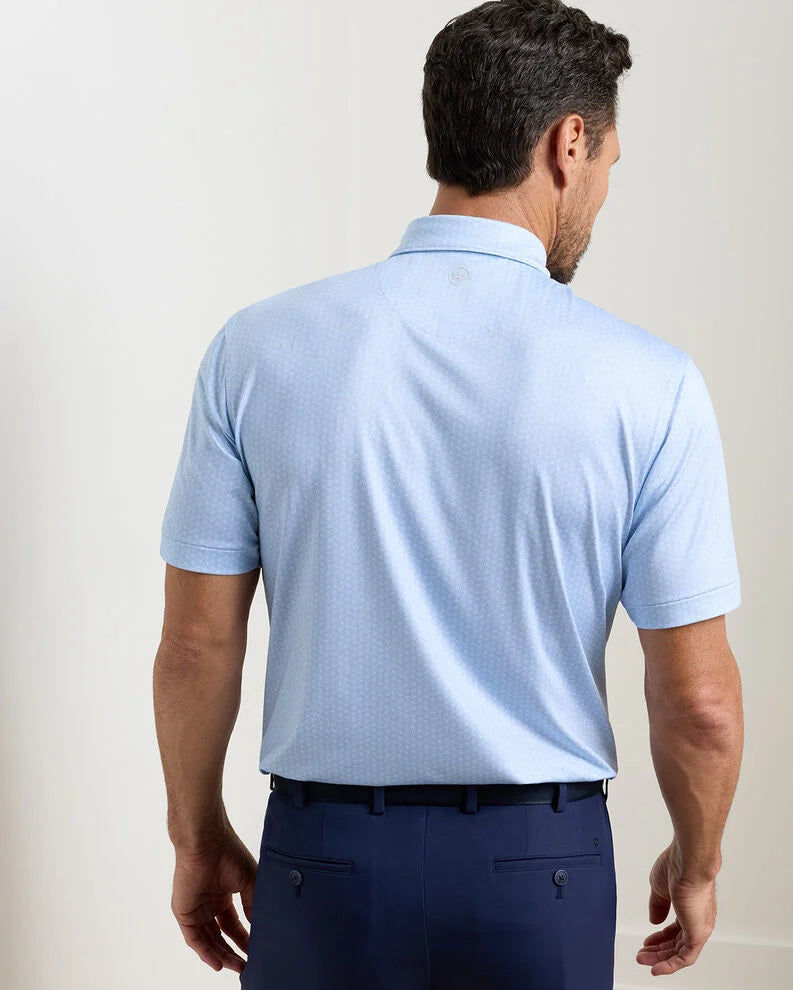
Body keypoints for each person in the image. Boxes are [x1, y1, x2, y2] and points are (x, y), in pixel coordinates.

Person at [153, 2, 744, 987]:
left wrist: (195, 832)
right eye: (607, 162)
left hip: (319, 866)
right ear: (568, 144)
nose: (601, 191)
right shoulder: (649, 383)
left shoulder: (254, 352)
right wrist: (698, 860)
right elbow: (700, 701)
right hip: (541, 872)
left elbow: (194, 648)